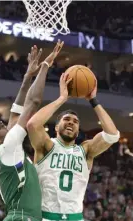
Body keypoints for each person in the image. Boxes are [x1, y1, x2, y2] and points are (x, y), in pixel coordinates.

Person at [0, 40, 64, 221]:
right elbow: (34, 102)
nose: (5, 125)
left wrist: (27, 77)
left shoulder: (0, 152)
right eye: (0, 126)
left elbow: (16, 111)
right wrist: (46, 65)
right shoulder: (8, 147)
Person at [27, 72, 120, 221]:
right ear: (56, 127)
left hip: (75, 218)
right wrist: (62, 98)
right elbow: (32, 125)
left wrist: (93, 101)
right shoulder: (46, 145)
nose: (71, 122)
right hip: (46, 217)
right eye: (67, 119)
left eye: (75, 121)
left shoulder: (85, 150)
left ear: (78, 131)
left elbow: (112, 135)